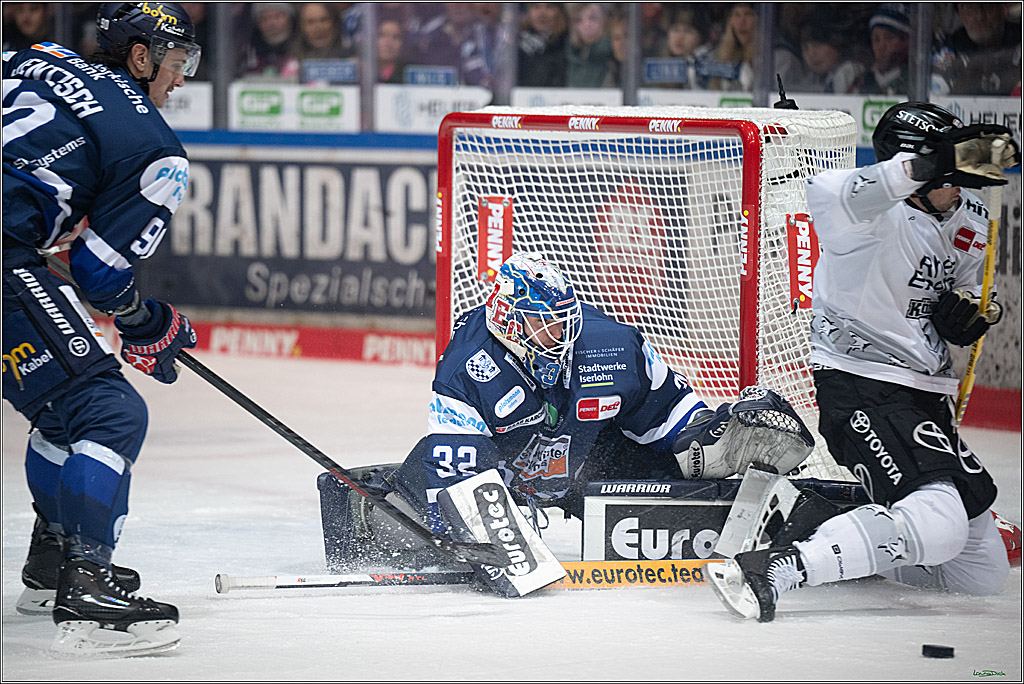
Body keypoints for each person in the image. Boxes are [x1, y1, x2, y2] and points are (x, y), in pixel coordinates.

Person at [337, 252, 816, 595]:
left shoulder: (611, 345)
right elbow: (458, 458)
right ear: (509, 321)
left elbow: (670, 412)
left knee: (686, 458)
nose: (560, 335)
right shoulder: (468, 364)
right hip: (508, 476)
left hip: (581, 463)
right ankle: (399, 510)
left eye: (566, 321)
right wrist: (489, 524)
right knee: (432, 482)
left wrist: (709, 437)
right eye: (545, 324)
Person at [709, 102, 1021, 622]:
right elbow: (826, 194)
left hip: (924, 396)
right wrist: (925, 165)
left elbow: (969, 290)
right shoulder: (862, 214)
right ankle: (779, 565)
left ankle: (837, 523)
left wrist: (974, 312)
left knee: (980, 574)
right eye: (947, 172)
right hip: (861, 386)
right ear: (912, 167)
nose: (958, 185)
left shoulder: (968, 214)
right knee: (940, 523)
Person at [3, 2, 202, 655]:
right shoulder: (154, 147)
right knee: (108, 411)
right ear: (141, 58)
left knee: (62, 411)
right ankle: (86, 592)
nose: (180, 81)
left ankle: (52, 564)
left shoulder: (39, 58)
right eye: (176, 65)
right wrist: (147, 322)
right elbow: (98, 277)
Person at [932, 2, 1022, 96]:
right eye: (971, 8)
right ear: (961, 12)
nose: (979, 16)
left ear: (1004, 9)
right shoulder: (947, 51)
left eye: (987, 7)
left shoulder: (1019, 42)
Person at [797, 10, 864, 94]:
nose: (811, 54)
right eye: (805, 48)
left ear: (836, 41)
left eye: (817, 45)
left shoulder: (849, 72)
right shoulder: (813, 78)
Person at [860, 3, 911, 96]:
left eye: (889, 37)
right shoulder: (861, 82)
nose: (881, 46)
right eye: (876, 39)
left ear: (906, 41)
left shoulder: (915, 81)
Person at [239, 2, 300, 81]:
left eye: (278, 16)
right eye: (265, 18)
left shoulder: (303, 49)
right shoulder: (247, 52)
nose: (272, 23)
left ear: (290, 18)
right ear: (257, 24)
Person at [707, 2, 757, 91]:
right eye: (736, 15)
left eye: (748, 14)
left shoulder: (778, 58)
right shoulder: (719, 56)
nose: (742, 21)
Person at [518, 2, 568, 88]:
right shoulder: (516, 47)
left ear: (560, 12)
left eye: (549, 7)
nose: (542, 14)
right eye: (536, 7)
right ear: (528, 12)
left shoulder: (569, 44)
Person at [565, 2, 614, 88]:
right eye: (578, 20)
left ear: (605, 21)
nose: (587, 25)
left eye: (593, 18)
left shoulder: (614, 54)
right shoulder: (569, 54)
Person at [376, 15, 408, 84]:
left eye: (396, 37)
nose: (388, 43)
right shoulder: (361, 72)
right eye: (383, 35)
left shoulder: (408, 73)